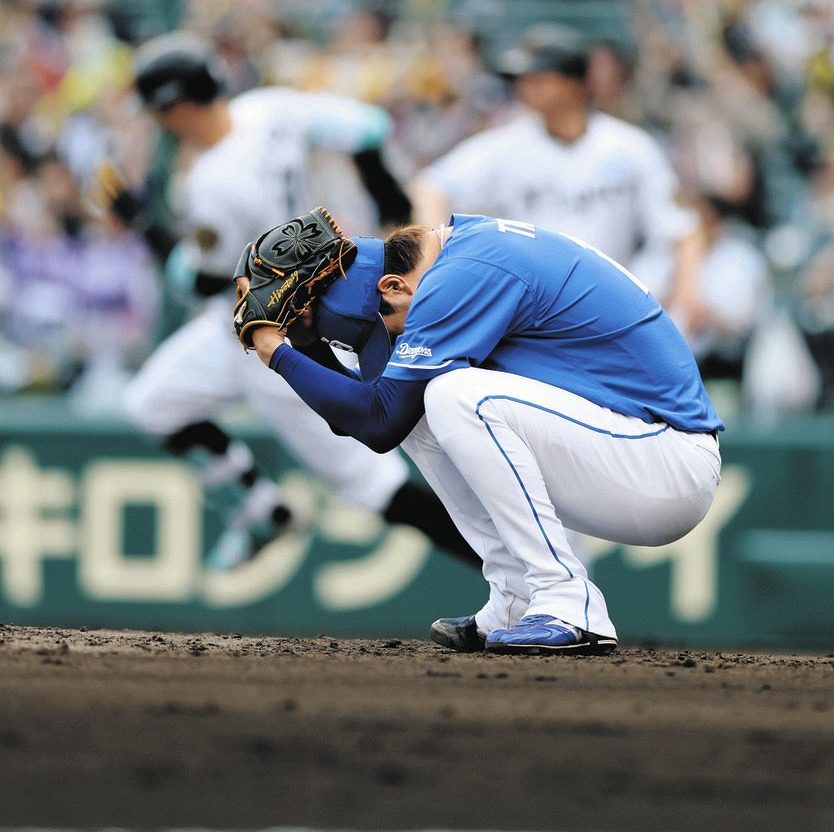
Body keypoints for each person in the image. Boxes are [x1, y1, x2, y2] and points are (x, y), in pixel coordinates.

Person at [237, 211, 723, 655]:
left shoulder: (461, 274)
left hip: (664, 457)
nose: (390, 337)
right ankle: (516, 596)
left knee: (454, 395)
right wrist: (302, 345)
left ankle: (567, 600)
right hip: (624, 448)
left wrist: (277, 353)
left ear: (392, 286)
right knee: (422, 400)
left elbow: (376, 421)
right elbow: (368, 418)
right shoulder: (438, 263)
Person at [99, 31, 475, 571]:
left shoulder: (212, 183)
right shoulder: (268, 109)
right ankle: (259, 508)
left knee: (376, 487)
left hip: (282, 336)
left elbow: (200, 281)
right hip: (240, 328)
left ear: (175, 108)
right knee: (151, 405)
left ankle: (511, 572)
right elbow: (368, 127)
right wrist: (392, 207)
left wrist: (142, 226)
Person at [409, 24, 704, 319]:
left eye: (538, 78)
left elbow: (682, 229)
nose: (524, 87)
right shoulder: (507, 145)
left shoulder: (630, 147)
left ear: (575, 84)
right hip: (531, 307)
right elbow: (430, 187)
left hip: (612, 303)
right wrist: (438, 259)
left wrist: (686, 295)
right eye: (523, 79)